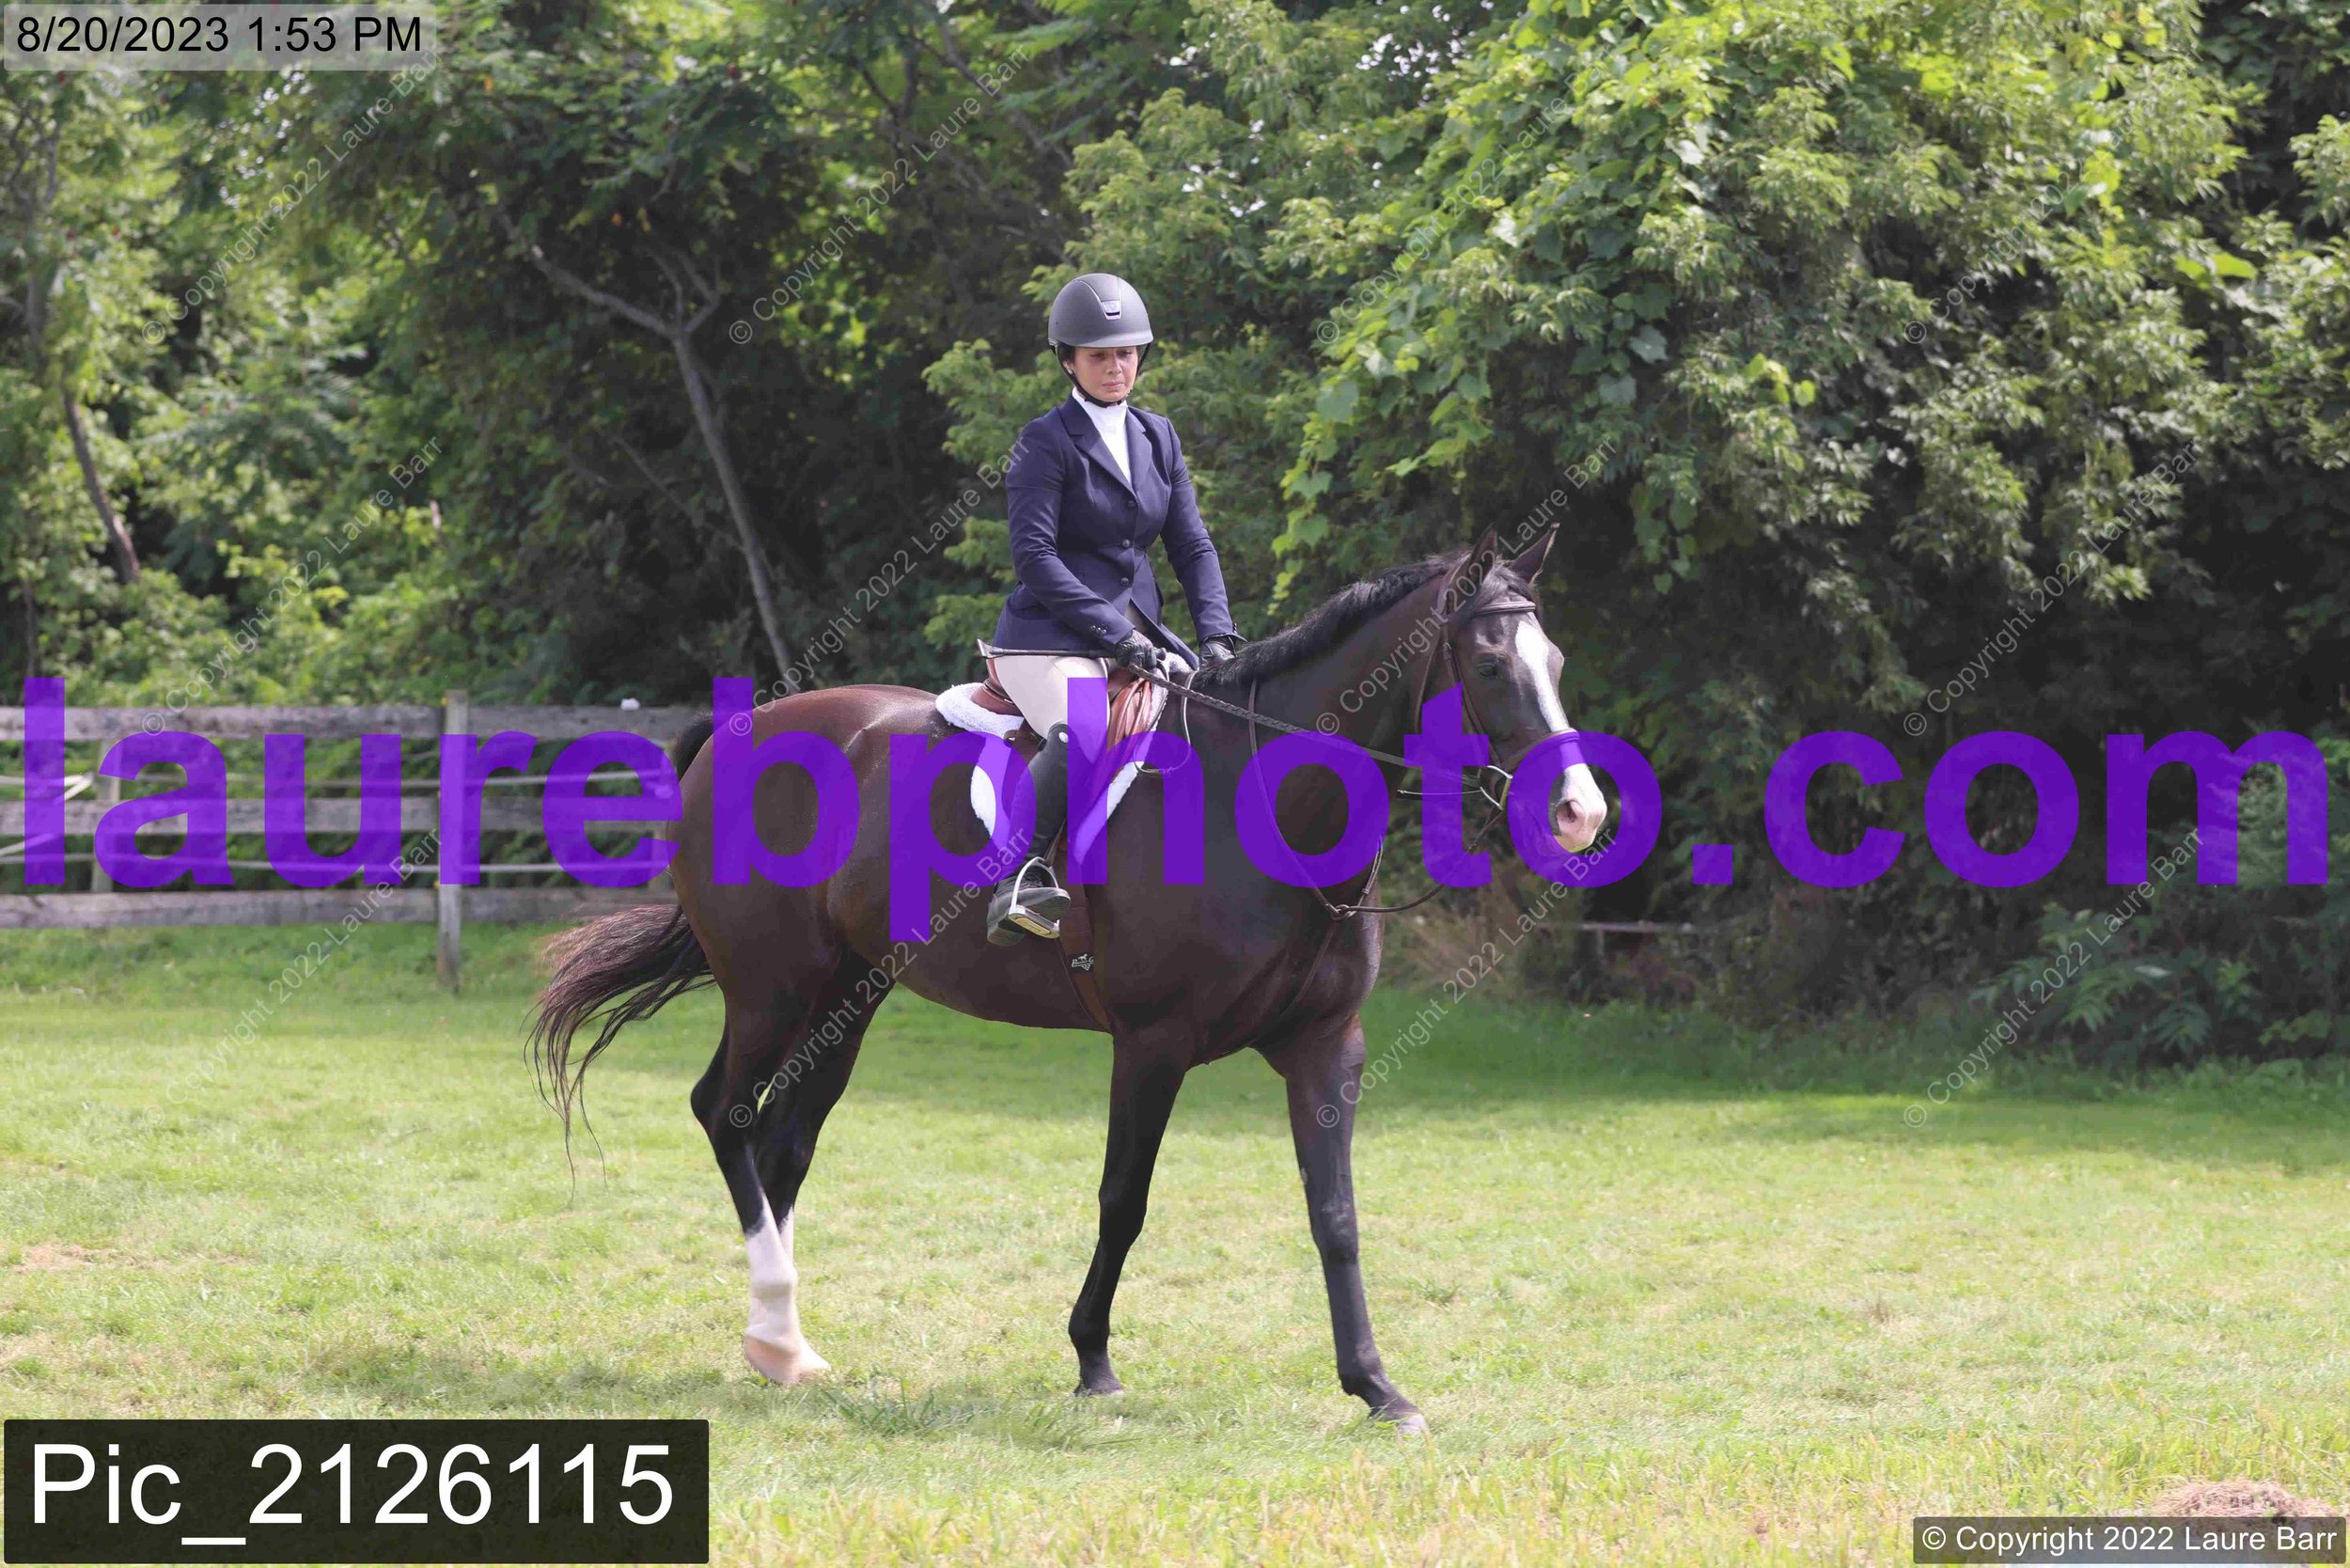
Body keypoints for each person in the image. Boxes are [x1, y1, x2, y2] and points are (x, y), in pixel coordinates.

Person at [982, 272, 1246, 946]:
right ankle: (1018, 874)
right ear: (1068, 360)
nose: (1115, 367)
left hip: (1140, 636)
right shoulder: (1045, 441)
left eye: (1126, 353)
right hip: (1048, 637)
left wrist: (1217, 638)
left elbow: (1192, 545)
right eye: (1099, 355)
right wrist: (1116, 637)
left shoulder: (1158, 437)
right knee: (1083, 726)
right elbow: (1035, 558)